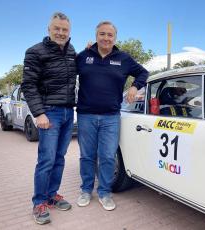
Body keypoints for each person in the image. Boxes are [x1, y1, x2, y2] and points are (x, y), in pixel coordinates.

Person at [76, 21, 149, 211]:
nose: (106, 38)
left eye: (110, 35)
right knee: (87, 156)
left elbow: (143, 73)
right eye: (102, 34)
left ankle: (105, 192)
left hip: (111, 117)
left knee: (108, 156)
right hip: (86, 116)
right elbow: (67, 72)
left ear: (115, 38)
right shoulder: (83, 56)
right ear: (96, 35)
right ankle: (85, 190)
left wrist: (134, 86)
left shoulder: (123, 58)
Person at [21, 12, 77, 225]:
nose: (61, 33)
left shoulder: (71, 51)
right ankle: (39, 202)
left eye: (65, 29)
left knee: (60, 158)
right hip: (49, 113)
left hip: (67, 112)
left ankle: (52, 195)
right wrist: (39, 113)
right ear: (49, 29)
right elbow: (28, 85)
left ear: (69, 31)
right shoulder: (35, 52)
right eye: (57, 29)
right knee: (46, 160)